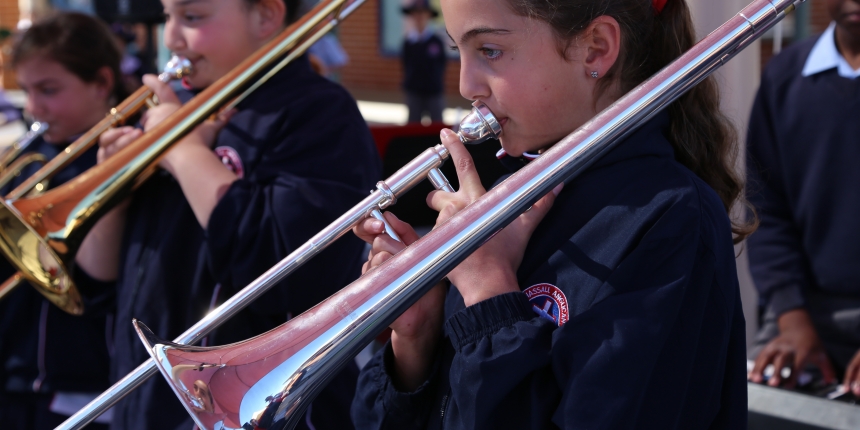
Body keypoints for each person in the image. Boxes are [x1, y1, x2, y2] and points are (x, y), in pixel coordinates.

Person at [351, 0, 753, 428]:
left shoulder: (672, 219)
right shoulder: (512, 187)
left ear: (595, 49)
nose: (467, 84)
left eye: (489, 50)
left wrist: (488, 290)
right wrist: (419, 341)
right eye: (458, 51)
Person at [80, 0, 382, 428]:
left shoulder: (319, 112)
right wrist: (114, 191)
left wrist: (182, 151)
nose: (170, 38)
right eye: (168, 16)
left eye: (193, 17)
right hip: (147, 407)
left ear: (265, 16)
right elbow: (95, 283)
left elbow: (286, 272)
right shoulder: (178, 108)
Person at [0, 12, 126, 430]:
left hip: (83, 384)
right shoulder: (29, 161)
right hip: (14, 376)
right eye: (28, 90)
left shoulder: (122, 158)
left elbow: (97, 281)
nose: (34, 107)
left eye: (49, 90)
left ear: (101, 83)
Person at [746, 0, 860, 396]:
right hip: (802, 307)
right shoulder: (784, 76)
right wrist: (793, 319)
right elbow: (767, 209)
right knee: (759, 402)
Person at [401, 0, 447, 123]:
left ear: (429, 16)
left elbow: (442, 65)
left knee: (437, 125)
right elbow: (406, 65)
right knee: (413, 124)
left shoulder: (436, 41)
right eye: (416, 13)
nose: (419, 17)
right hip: (414, 91)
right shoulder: (408, 42)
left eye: (423, 13)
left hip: (433, 91)